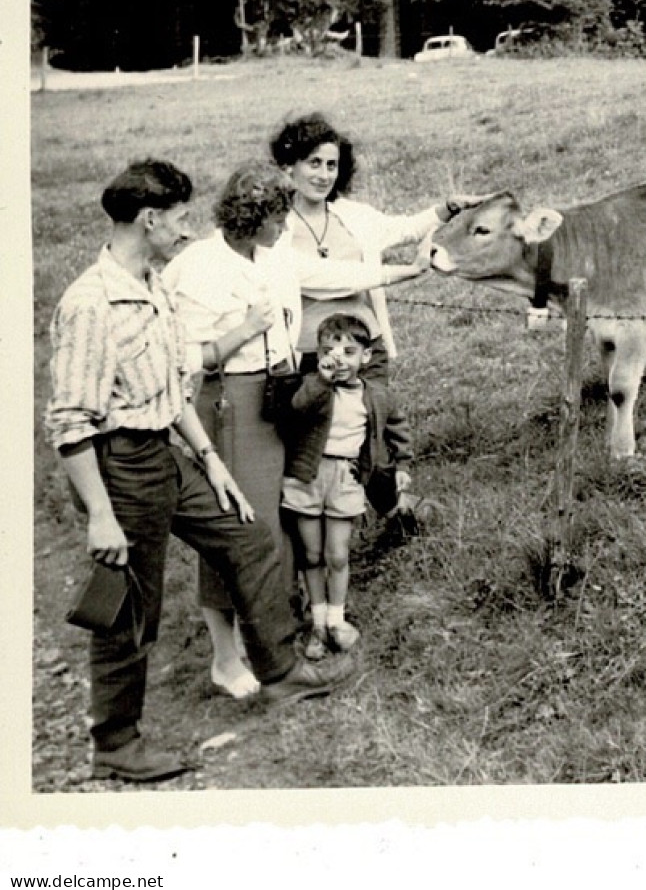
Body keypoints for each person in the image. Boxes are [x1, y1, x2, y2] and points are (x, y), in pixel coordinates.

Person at [45, 160, 355, 784]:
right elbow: (70, 423)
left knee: (248, 540)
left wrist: (212, 463)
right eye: (181, 219)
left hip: (168, 452)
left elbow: (171, 388)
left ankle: (282, 672)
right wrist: (101, 515)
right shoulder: (91, 303)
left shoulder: (153, 283)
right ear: (149, 218)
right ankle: (116, 741)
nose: (188, 232)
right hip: (119, 465)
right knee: (130, 602)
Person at [161, 162, 302, 699]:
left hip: (269, 397)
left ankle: (262, 638)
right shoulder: (201, 266)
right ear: (255, 215)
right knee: (232, 525)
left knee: (262, 523)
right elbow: (186, 359)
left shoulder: (260, 254)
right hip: (228, 404)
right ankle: (225, 658)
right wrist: (246, 329)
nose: (285, 227)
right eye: (279, 217)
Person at [269, 112, 471, 379]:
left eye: (332, 165)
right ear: (289, 167)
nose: (324, 175)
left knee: (374, 418)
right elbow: (329, 277)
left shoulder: (353, 214)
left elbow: (405, 229)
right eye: (314, 163)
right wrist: (406, 271)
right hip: (309, 359)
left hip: (366, 350)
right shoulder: (275, 227)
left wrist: (449, 207)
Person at [278, 312, 411, 659]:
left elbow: (397, 428)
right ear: (319, 355)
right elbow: (296, 408)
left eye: (350, 352)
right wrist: (321, 380)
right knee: (311, 554)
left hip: (346, 479)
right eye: (329, 352)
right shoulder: (314, 387)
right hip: (307, 477)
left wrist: (402, 465)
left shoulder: (375, 395)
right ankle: (317, 624)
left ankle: (336, 619)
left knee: (337, 554)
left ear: (366, 357)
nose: (339, 360)